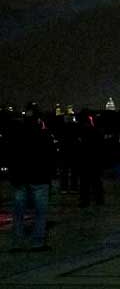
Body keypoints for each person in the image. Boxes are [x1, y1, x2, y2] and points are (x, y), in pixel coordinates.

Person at [9, 102, 56, 252]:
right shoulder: (43, 134)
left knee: (18, 213)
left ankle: (17, 243)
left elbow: (11, 156)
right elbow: (50, 156)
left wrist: (13, 175)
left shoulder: (16, 134)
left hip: (21, 178)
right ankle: (37, 242)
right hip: (39, 177)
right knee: (40, 213)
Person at [77, 112, 105, 208]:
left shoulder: (81, 131)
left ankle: (85, 200)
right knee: (96, 181)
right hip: (94, 160)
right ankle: (99, 199)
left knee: (85, 182)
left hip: (85, 160)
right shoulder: (96, 131)